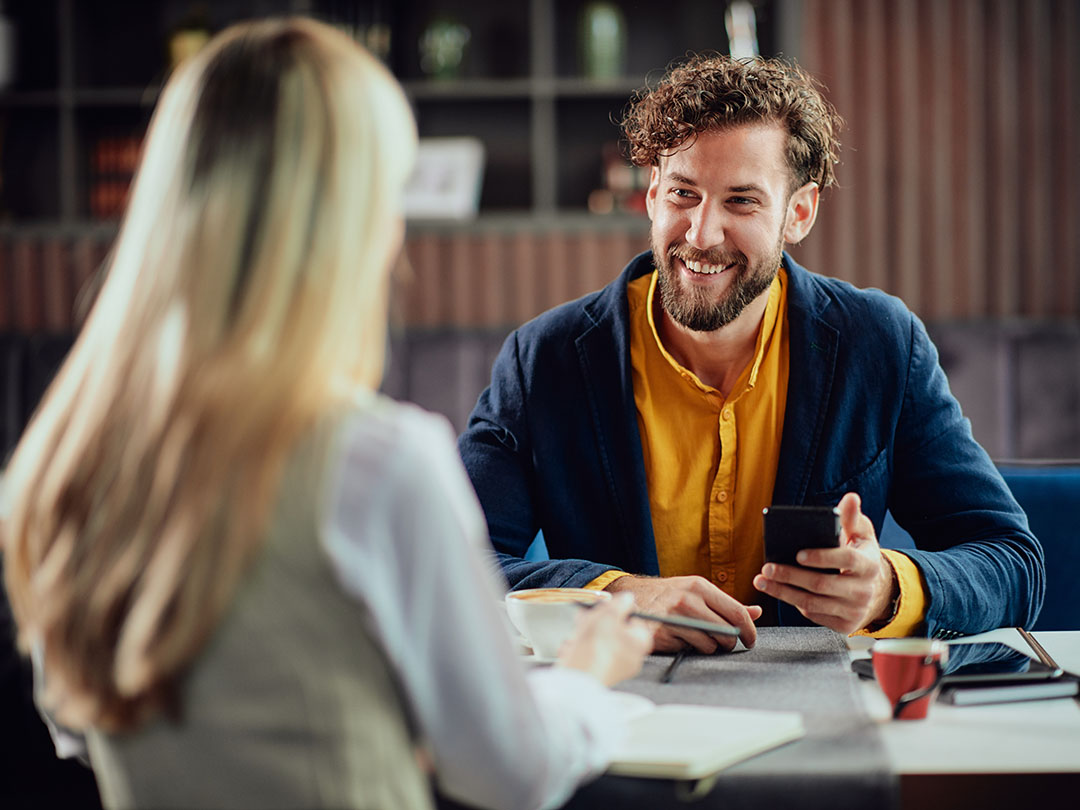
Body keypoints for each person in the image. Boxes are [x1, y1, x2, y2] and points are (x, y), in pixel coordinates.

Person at [1, 18, 651, 810]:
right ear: (346, 222)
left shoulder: (67, 460)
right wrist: (588, 678)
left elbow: (72, 722)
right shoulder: (379, 462)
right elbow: (508, 771)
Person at [458, 54, 1045, 653]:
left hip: (822, 717)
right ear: (654, 194)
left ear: (799, 213)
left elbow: (1011, 560)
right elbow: (456, 562)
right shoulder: (543, 360)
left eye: (741, 201)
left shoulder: (882, 344)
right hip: (619, 709)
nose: (701, 233)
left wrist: (890, 588)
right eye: (684, 194)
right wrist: (619, 595)